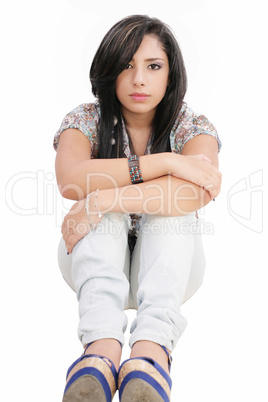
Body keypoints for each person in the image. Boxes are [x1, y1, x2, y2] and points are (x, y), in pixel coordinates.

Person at [54, 14, 222, 402]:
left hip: (173, 268)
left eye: (153, 66)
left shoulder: (191, 124)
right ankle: (100, 351)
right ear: (109, 70)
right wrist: (166, 164)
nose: (139, 79)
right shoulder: (86, 119)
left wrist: (104, 198)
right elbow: (70, 179)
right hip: (90, 259)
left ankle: (150, 354)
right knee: (105, 215)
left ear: (170, 73)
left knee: (165, 214)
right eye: (127, 65)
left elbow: (197, 193)